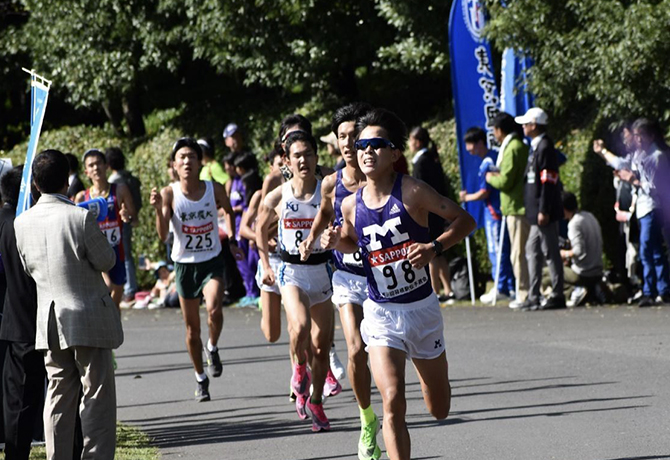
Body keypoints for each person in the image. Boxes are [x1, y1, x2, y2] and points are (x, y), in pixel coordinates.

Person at [324, 108, 476, 460]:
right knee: (392, 401)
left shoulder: (414, 192)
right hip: (380, 314)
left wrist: (433, 246)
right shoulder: (349, 204)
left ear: (395, 153)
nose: (367, 152)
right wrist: (336, 242)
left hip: (421, 311)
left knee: (439, 408)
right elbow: (352, 242)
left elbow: (464, 221)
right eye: (362, 145)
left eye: (377, 145)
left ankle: (435, 381)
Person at [15, 149, 123, 460]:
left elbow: (27, 268)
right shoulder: (80, 216)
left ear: (35, 183)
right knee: (97, 397)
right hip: (88, 315)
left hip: (49, 320)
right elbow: (106, 259)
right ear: (67, 181)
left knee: (58, 396)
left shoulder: (21, 223)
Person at [299, 102, 383, 459]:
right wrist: (311, 238)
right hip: (347, 277)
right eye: (343, 137)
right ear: (335, 143)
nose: (349, 143)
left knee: (382, 355)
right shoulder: (332, 183)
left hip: (381, 277)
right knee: (355, 349)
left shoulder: (382, 177)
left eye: (354, 136)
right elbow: (323, 215)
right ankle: (367, 420)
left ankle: (390, 409)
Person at [150, 137, 243, 402]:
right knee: (192, 330)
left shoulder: (213, 189)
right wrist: (158, 211)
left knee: (214, 308)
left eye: (192, 156)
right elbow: (161, 235)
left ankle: (212, 347)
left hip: (211, 260)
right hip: (184, 266)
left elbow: (229, 211)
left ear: (200, 161)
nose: (187, 161)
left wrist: (233, 240)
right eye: (182, 157)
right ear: (174, 165)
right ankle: (200, 377)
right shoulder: (170, 193)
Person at [256, 130, 335, 432]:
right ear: (287, 161)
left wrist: (332, 236)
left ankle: (315, 400)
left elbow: (341, 222)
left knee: (322, 345)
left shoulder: (327, 192)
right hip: (291, 272)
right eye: (297, 155)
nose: (303, 160)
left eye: (308, 154)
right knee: (299, 326)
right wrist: (265, 264)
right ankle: (298, 369)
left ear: (317, 157)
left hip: (322, 272)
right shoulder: (278, 196)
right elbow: (259, 228)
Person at [0, 166, 46, 459]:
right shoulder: (19, 225)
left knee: (11, 396)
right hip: (23, 323)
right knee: (22, 398)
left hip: (9, 321)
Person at [597, 118, 669, 306]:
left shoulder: (657, 156)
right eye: (635, 136)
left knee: (648, 248)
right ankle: (658, 289)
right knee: (651, 249)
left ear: (651, 135)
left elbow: (657, 186)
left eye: (640, 135)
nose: (636, 140)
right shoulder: (640, 155)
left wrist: (634, 181)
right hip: (641, 207)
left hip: (653, 206)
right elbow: (625, 165)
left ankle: (654, 289)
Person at [515, 108, 565, 310]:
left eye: (526, 123)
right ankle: (534, 295)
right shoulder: (536, 147)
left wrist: (543, 209)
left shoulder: (544, 146)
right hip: (536, 212)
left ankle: (557, 293)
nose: (524, 127)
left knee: (550, 251)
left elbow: (549, 182)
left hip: (544, 211)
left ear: (534, 125)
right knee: (532, 250)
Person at [75, 148, 136, 309]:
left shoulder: (120, 189)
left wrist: (126, 216)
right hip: (95, 253)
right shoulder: (82, 197)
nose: (96, 168)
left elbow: (134, 219)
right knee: (106, 287)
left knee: (115, 303)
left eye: (99, 164)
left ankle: (113, 330)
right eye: (91, 165)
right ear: (86, 171)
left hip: (117, 252)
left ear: (106, 166)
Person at [462, 127, 515, 303]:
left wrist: (467, 197)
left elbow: (485, 191)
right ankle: (507, 286)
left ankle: (501, 287)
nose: (468, 149)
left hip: (494, 211)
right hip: (496, 211)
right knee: (503, 249)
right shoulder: (494, 156)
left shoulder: (488, 161)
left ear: (479, 143)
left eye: (470, 144)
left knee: (496, 250)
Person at [486, 112, 530, 309]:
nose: (494, 135)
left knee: (518, 253)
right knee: (522, 252)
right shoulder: (517, 145)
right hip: (517, 205)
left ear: (500, 130)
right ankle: (526, 292)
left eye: (495, 130)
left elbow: (506, 180)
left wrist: (490, 178)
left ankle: (523, 294)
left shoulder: (512, 148)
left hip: (516, 206)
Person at [241, 149, 284, 342]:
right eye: (279, 165)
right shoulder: (259, 196)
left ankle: (300, 369)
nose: (283, 169)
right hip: (271, 260)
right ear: (271, 168)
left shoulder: (301, 194)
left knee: (297, 324)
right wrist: (263, 239)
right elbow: (244, 228)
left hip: (294, 262)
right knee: (271, 334)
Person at [409, 126, 455, 304]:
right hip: (438, 211)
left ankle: (435, 290)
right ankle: (448, 289)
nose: (410, 145)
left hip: (429, 213)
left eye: (412, 141)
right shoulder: (432, 158)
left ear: (418, 142)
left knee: (432, 250)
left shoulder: (421, 162)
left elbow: (419, 190)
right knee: (440, 252)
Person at [106, 146, 142, 306]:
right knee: (127, 254)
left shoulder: (113, 183)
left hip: (117, 221)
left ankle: (129, 289)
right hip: (130, 218)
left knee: (123, 254)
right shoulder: (131, 178)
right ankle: (130, 286)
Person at [560, 191, 606, 307]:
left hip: (583, 272)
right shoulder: (589, 216)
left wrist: (563, 254)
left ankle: (573, 291)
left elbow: (578, 251)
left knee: (548, 273)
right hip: (598, 270)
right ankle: (592, 290)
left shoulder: (574, 224)